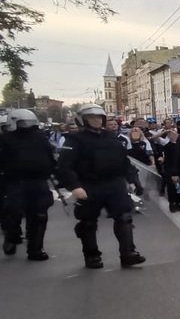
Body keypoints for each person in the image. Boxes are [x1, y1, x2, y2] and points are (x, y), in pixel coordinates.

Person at [55, 104, 145, 269]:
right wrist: (75, 186)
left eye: (98, 118)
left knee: (124, 217)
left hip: (114, 183)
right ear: (83, 120)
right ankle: (92, 256)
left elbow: (124, 162)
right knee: (88, 222)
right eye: (91, 118)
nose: (96, 121)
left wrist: (134, 180)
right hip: (89, 185)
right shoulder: (74, 139)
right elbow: (64, 166)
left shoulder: (110, 137)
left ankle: (128, 254)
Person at [0, 109, 55, 260]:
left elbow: (50, 156)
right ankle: (11, 237)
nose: (26, 125)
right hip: (15, 182)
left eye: (28, 122)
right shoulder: (4, 139)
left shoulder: (40, 138)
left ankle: (36, 249)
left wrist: (53, 171)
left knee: (39, 215)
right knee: (12, 213)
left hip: (38, 181)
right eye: (22, 122)